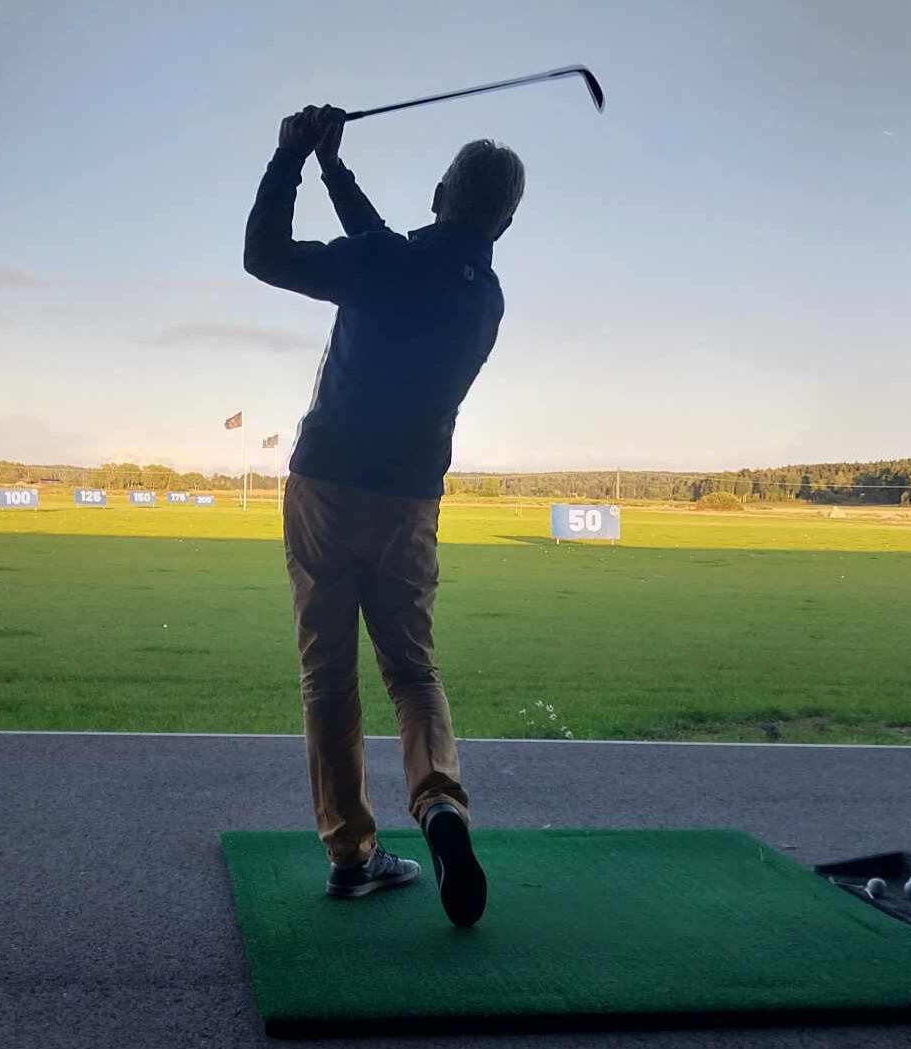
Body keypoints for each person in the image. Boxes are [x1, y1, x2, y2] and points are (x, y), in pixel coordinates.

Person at [244, 104, 524, 928]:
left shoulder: (384, 263)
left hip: (326, 486)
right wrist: (335, 169)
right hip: (408, 502)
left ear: (438, 194)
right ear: (504, 224)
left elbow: (265, 254)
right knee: (413, 673)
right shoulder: (486, 298)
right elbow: (389, 250)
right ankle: (439, 805)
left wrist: (291, 156)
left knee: (328, 674)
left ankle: (352, 853)